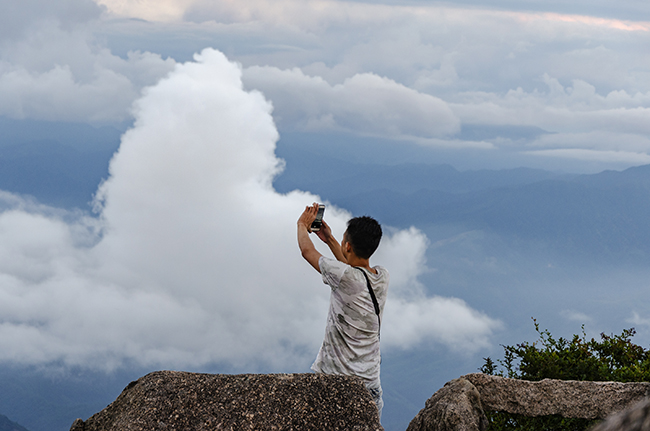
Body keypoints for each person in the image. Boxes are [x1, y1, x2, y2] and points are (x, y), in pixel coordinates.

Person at [297, 202, 389, 420]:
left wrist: (302, 224)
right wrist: (329, 239)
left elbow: (307, 251)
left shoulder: (345, 277)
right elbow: (352, 269)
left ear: (348, 246)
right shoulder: (382, 276)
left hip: (337, 386)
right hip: (370, 386)